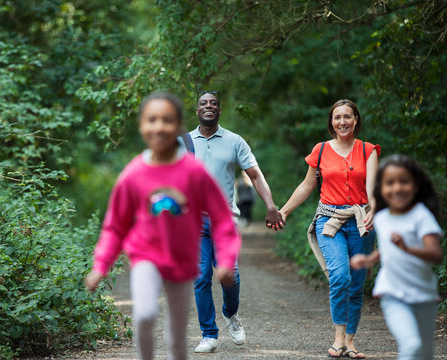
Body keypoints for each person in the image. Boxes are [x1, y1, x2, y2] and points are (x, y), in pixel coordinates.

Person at [84, 92, 241, 360]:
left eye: (167, 120)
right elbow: (115, 226)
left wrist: (226, 260)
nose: (159, 126)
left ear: (179, 127)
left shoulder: (193, 172)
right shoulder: (134, 173)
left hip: (181, 260)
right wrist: (101, 265)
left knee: (176, 337)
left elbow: (222, 219)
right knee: (145, 313)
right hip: (145, 255)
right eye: (151, 120)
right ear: (142, 126)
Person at [279, 99, 380, 359]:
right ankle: (338, 337)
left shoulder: (368, 150)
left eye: (348, 116)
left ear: (356, 119)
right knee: (340, 276)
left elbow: (372, 188)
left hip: (360, 222)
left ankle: (351, 341)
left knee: (357, 284)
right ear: (331, 122)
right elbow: (306, 186)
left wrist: (374, 210)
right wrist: (284, 211)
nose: (342, 122)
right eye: (337, 117)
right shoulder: (321, 150)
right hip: (329, 222)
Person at [188, 90, 284, 353]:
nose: (208, 106)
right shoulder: (183, 143)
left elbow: (254, 175)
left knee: (231, 275)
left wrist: (271, 206)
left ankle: (231, 314)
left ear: (219, 110)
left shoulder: (234, 141)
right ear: (197, 111)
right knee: (200, 277)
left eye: (213, 103)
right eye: (203, 103)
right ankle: (209, 334)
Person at [351, 155, 443, 360]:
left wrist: (407, 248)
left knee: (425, 354)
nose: (397, 188)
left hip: (423, 295)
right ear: (380, 189)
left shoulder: (421, 215)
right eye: (389, 183)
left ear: (416, 185)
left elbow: (436, 254)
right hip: (392, 293)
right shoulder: (382, 218)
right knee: (411, 347)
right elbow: (387, 249)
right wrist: (368, 260)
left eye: (404, 181)